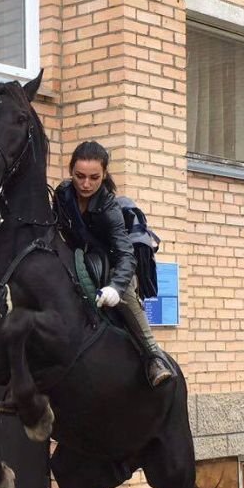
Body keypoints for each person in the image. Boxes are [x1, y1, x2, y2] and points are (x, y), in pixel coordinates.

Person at [54, 140, 173, 387]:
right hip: (78, 256)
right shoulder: (62, 194)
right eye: (80, 176)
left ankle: (154, 357)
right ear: (70, 171)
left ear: (104, 174)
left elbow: (126, 255)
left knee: (127, 295)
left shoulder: (109, 207)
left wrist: (115, 288)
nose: (86, 184)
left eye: (94, 177)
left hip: (113, 262)